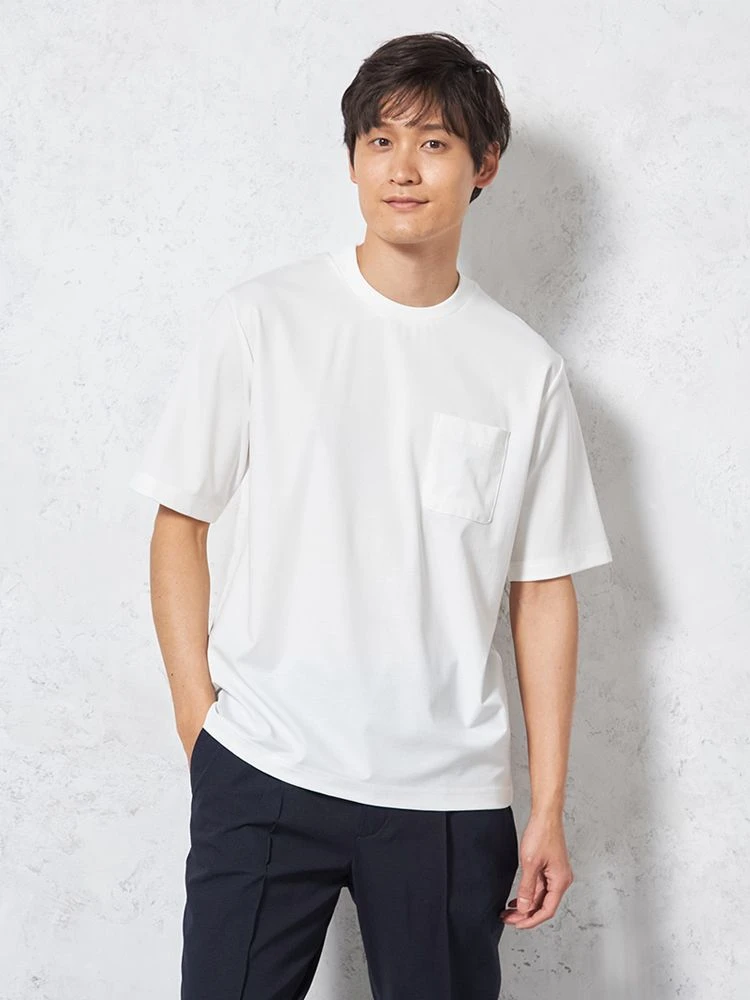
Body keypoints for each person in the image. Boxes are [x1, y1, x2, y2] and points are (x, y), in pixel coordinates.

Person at [128, 30, 613, 1000]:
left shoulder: (524, 370)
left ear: (483, 165)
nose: (403, 168)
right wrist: (200, 724)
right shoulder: (262, 320)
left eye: (434, 143)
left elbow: (542, 590)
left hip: (448, 796)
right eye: (380, 141)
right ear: (351, 159)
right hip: (263, 765)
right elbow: (181, 521)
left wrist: (547, 805)